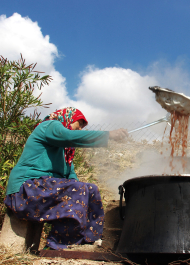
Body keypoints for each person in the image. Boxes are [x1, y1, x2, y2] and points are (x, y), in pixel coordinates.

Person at [3, 107, 128, 250]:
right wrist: (108, 135)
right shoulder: (50, 125)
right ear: (68, 117)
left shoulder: (65, 154)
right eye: (79, 123)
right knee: (77, 189)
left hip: (42, 189)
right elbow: (68, 136)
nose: (80, 129)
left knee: (90, 189)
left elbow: (73, 180)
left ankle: (87, 240)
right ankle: (62, 243)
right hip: (25, 190)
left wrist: (84, 193)